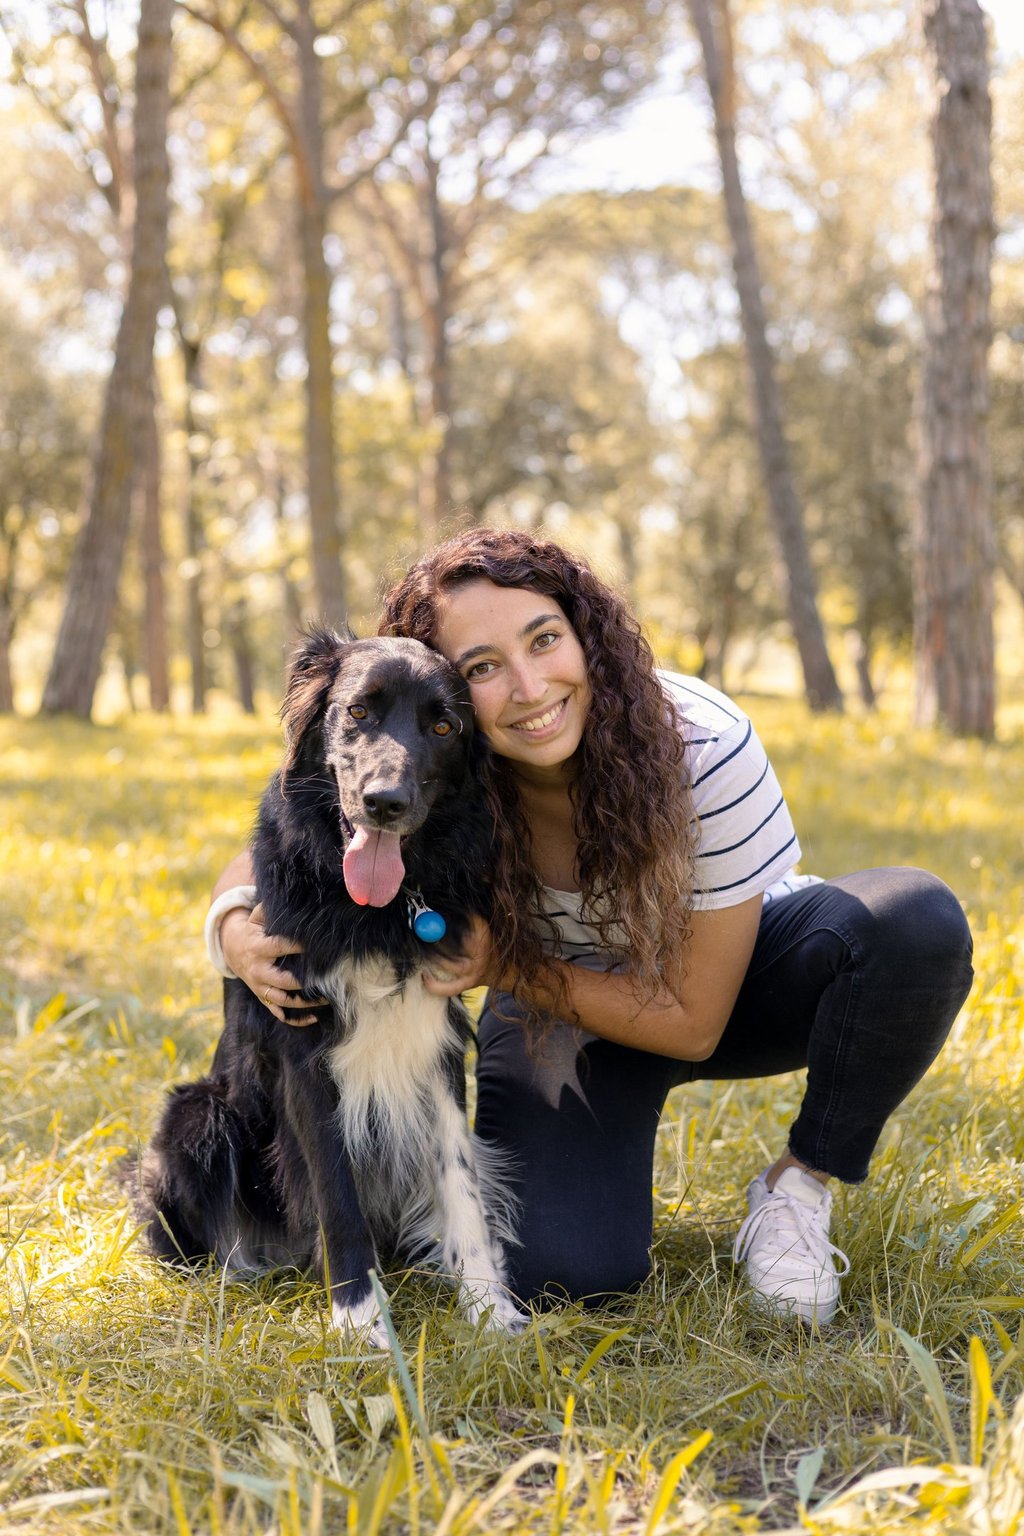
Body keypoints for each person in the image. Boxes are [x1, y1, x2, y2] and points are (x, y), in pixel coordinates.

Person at [205, 528, 974, 1325]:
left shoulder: (701, 739)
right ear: (452, 690)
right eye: (484, 667)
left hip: (734, 982)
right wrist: (231, 927)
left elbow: (694, 1021)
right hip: (561, 1018)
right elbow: (297, 834)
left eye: (544, 640)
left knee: (914, 924)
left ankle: (799, 1186)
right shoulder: (449, 750)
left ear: (586, 634)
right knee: (565, 1268)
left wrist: (503, 962)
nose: (531, 687)